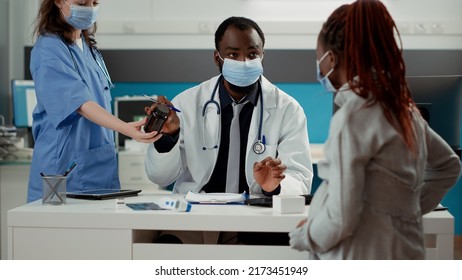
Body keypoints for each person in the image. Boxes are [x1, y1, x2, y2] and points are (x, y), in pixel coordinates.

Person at [289, 0, 462, 259]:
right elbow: (449, 166)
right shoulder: (404, 110)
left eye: (319, 59)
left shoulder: (353, 115)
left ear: (332, 59)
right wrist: (406, 210)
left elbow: (341, 219)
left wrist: (306, 236)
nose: (319, 68)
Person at [145, 16, 313, 244]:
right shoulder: (186, 104)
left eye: (252, 54)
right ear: (218, 58)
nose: (244, 61)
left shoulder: (287, 109)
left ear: (262, 56)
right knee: (165, 251)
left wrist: (274, 186)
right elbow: (159, 176)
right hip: (194, 216)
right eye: (233, 54)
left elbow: (301, 179)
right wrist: (168, 138)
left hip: (256, 218)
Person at [27, 0, 159, 202]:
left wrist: (125, 127)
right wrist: (124, 128)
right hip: (63, 170)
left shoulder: (89, 49)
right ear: (59, 1)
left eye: (94, 2)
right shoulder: (48, 50)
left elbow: (98, 100)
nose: (88, 8)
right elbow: (80, 103)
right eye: (81, 2)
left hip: (99, 165)